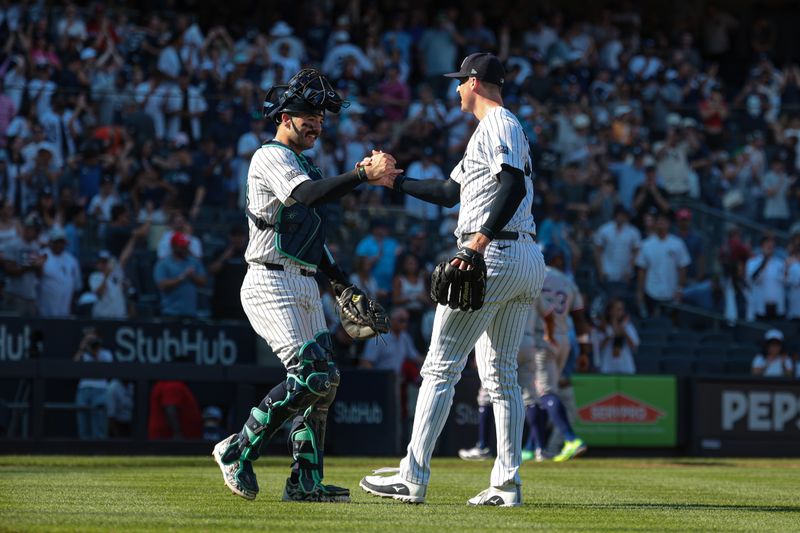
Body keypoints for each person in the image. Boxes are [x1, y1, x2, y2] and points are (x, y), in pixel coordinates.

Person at [360, 53, 545, 507]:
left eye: (461, 82)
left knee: (440, 366)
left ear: (476, 82)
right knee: (501, 376)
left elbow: (513, 184)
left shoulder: (499, 122)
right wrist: (394, 183)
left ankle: (412, 475)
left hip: (495, 252)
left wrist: (476, 245)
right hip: (522, 255)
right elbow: (448, 194)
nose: (456, 89)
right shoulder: (490, 132)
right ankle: (506, 485)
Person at [212, 68, 400, 503]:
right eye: (307, 114)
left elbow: (312, 237)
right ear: (283, 117)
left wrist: (340, 285)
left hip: (303, 282)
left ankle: (304, 481)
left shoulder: (305, 163)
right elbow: (307, 197)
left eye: (320, 117)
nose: (317, 122)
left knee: (327, 380)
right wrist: (360, 175)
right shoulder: (270, 156)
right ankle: (237, 449)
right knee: (311, 375)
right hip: (268, 281)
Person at [523, 245, 590, 463]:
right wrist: (584, 351)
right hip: (563, 340)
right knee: (541, 394)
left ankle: (571, 439)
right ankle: (533, 446)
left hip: (542, 338)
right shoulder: (568, 282)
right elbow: (580, 320)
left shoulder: (535, 275)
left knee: (543, 392)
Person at [636, 210, 691, 316]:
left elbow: (683, 268)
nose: (661, 224)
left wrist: (679, 289)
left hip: (671, 292)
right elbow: (642, 270)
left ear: (669, 224)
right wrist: (640, 291)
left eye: (664, 221)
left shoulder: (677, 244)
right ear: (655, 224)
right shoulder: (646, 244)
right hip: (651, 291)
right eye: (659, 221)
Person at [153, 232, 207, 318]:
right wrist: (182, 277)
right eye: (182, 245)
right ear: (174, 246)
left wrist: (192, 276)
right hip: (170, 313)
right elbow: (162, 285)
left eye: (186, 245)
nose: (185, 248)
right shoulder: (163, 264)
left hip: (191, 313)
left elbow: (203, 282)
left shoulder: (194, 262)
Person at [73, 330, 113, 440]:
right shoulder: (83, 354)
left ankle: (99, 452)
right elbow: (73, 366)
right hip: (84, 389)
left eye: (94, 339)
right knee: (83, 424)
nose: (92, 342)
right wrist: (82, 348)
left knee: (99, 424)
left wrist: (95, 353)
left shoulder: (106, 354)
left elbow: (105, 371)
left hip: (101, 390)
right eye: (90, 340)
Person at [36, 227, 82, 317]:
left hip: (65, 312)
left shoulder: (72, 260)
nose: (58, 245)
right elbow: (35, 280)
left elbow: (77, 287)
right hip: (44, 311)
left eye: (61, 242)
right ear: (50, 242)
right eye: (56, 242)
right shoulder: (41, 255)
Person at [594, 298, 639, 374]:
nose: (619, 312)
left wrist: (624, 333)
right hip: (607, 366)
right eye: (617, 309)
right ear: (610, 310)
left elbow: (634, 347)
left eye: (621, 309)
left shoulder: (628, 326)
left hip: (626, 366)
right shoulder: (602, 327)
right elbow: (598, 348)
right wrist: (609, 335)